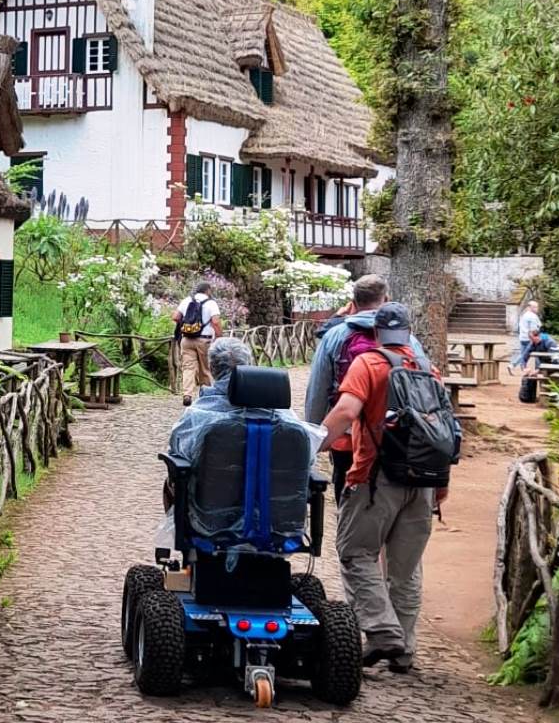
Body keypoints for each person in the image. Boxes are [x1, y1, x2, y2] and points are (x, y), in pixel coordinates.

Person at [317, 303, 444, 675]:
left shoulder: (369, 364)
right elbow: (444, 429)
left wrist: (311, 444)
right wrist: (442, 483)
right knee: (405, 569)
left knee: (356, 553)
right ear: (408, 333)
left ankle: (382, 630)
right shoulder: (427, 368)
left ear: (375, 333)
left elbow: (345, 412)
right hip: (422, 482)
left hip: (374, 479)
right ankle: (404, 650)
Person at [305, 275, 432, 502]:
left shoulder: (335, 336)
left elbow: (318, 388)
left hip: (346, 436)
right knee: (391, 494)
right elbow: (424, 384)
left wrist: (316, 435)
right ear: (386, 300)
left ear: (353, 302)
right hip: (397, 435)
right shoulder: (407, 340)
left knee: (348, 499)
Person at [162, 337, 322, 512]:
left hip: (210, 519)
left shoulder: (198, 415)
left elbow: (177, 448)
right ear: (249, 365)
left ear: (212, 369)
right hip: (278, 522)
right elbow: (308, 458)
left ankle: (181, 530)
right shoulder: (286, 418)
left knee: (176, 474)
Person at [173, 282, 224, 406]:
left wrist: (187, 325)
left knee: (188, 368)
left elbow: (175, 317)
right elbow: (216, 322)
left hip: (187, 339)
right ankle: (206, 396)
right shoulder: (211, 303)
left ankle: (187, 394)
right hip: (204, 340)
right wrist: (219, 337)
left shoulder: (186, 300)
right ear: (208, 291)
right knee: (205, 369)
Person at [512, 300, 542, 368]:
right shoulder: (533, 316)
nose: (537, 308)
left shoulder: (524, 315)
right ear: (530, 307)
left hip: (522, 337)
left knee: (524, 354)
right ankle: (539, 368)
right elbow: (534, 330)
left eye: (537, 307)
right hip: (530, 338)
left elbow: (520, 326)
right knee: (538, 353)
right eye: (535, 307)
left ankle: (516, 365)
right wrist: (536, 337)